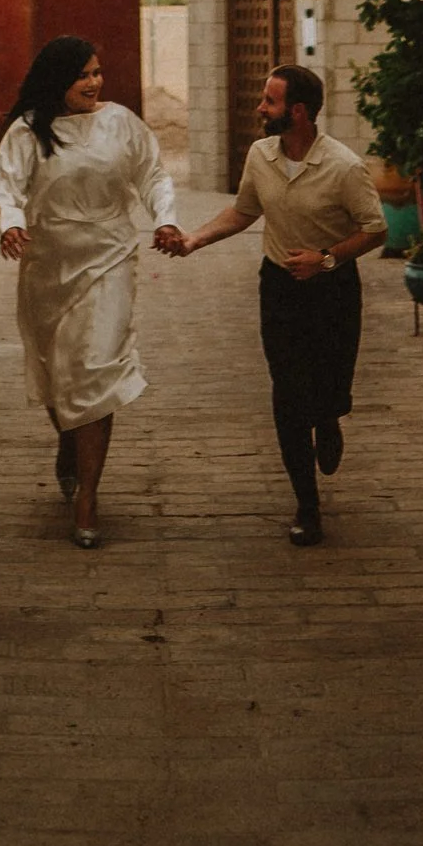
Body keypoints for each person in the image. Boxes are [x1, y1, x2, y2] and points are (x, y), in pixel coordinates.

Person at [174, 61, 384, 542]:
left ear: (299, 111)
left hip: (332, 288)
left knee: (328, 384)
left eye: (270, 101)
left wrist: (326, 259)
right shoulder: (260, 155)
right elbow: (244, 210)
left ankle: (329, 418)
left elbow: (375, 230)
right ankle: (307, 507)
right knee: (287, 392)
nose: (259, 107)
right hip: (280, 287)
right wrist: (194, 240)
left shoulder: (343, 166)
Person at [0, 33, 183, 548]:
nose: (94, 83)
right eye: (83, 75)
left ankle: (87, 497)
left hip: (110, 257)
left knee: (96, 369)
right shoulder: (28, 131)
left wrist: (164, 219)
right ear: (59, 81)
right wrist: (10, 223)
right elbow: (7, 186)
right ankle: (69, 445)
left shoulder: (120, 122)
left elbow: (153, 175)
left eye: (97, 72)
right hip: (48, 265)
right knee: (59, 376)